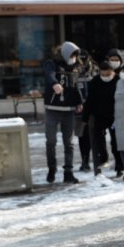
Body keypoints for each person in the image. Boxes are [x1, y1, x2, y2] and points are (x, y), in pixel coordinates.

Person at [43, 41, 84, 184]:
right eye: (72, 54)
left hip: (69, 110)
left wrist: (79, 102)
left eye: (75, 55)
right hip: (52, 108)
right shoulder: (52, 63)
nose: (73, 57)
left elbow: (76, 86)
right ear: (64, 53)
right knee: (51, 141)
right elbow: (49, 75)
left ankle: (68, 172)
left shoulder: (76, 67)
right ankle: (52, 169)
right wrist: (55, 84)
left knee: (69, 142)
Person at [81, 58, 121, 177]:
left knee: (116, 142)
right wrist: (85, 117)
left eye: (108, 74)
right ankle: (103, 158)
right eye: (103, 74)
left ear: (112, 72)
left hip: (115, 116)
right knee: (98, 140)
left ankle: (120, 166)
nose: (106, 76)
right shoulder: (95, 82)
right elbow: (90, 100)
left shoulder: (119, 81)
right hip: (99, 115)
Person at [74, 48, 98, 172]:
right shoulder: (73, 70)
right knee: (82, 135)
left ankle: (97, 159)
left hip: (93, 107)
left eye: (84, 58)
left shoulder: (95, 69)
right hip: (79, 108)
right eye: (80, 58)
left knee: (94, 134)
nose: (82, 61)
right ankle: (85, 160)